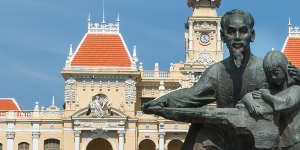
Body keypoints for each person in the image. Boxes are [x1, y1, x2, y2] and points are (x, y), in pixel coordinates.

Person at [142, 9, 300, 150]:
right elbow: (190, 96)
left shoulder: (265, 69)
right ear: (223, 37)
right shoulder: (216, 72)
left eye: (242, 31)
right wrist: (161, 102)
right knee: (200, 130)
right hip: (226, 138)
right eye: (231, 32)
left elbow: (290, 91)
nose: (237, 38)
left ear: (252, 36)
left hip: (260, 138)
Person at [243, 51, 300, 150]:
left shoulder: (296, 89)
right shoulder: (273, 91)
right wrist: (248, 100)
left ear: (284, 69)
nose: (273, 77)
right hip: (281, 140)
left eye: (276, 72)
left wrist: (267, 96)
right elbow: (249, 96)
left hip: (296, 139)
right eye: (269, 74)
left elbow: (284, 104)